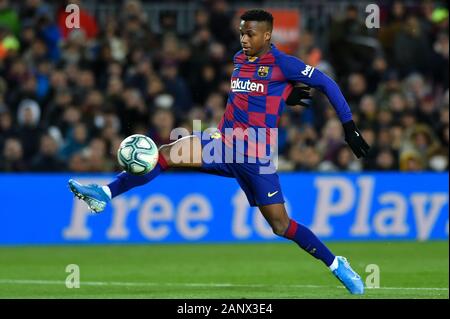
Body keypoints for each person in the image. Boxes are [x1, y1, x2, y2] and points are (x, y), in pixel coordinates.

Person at [68, 9, 370, 295]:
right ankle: (104, 194)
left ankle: (336, 264)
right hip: (223, 144)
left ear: (267, 36)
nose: (244, 39)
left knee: (281, 225)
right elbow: (253, 89)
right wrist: (286, 94)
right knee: (167, 153)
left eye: (250, 34)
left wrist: (349, 127)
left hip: (256, 158)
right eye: (241, 33)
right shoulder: (240, 58)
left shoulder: (285, 63)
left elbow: (326, 83)